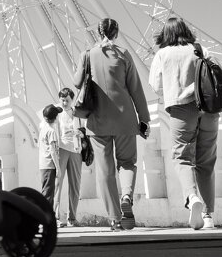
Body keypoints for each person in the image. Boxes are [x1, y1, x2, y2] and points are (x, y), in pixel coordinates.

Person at [74, 18, 150, 231]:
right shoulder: (124, 55)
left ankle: (115, 218)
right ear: (116, 33)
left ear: (98, 33)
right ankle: (126, 195)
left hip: (98, 120)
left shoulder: (87, 54)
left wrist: (84, 63)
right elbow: (136, 88)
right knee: (127, 162)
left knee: (105, 170)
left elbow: (76, 82)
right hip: (125, 118)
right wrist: (143, 118)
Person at [149, 16, 217, 230]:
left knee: (182, 157)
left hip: (180, 109)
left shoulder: (162, 54)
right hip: (208, 108)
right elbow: (216, 73)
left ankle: (191, 196)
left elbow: (155, 84)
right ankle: (208, 216)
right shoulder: (199, 49)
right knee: (206, 162)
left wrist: (171, 90)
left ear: (165, 35)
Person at [54, 87, 84, 226]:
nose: (64, 103)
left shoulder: (76, 113)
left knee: (75, 185)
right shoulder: (57, 113)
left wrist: (80, 134)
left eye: (66, 100)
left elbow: (84, 130)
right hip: (62, 148)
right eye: (62, 100)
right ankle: (56, 216)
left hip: (76, 150)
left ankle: (72, 218)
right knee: (58, 183)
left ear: (72, 100)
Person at [38, 104, 62, 205]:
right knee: (48, 194)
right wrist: (58, 168)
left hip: (43, 165)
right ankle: (45, 218)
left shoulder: (43, 130)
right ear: (55, 118)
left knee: (46, 191)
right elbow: (52, 150)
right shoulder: (51, 132)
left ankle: (45, 217)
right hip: (50, 166)